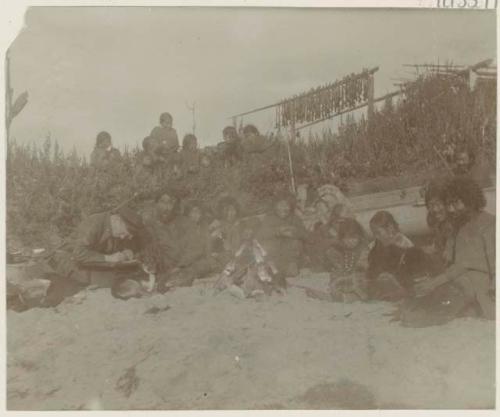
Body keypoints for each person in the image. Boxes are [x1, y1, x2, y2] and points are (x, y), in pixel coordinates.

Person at [408, 177, 495, 324]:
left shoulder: (490, 224)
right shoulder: (460, 226)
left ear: (470, 199)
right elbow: (455, 264)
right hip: (462, 280)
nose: (451, 209)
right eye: (449, 204)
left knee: (447, 295)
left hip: (481, 285)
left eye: (455, 203)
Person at [43, 206, 148, 306]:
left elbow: (118, 247)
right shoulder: (94, 224)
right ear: (117, 220)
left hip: (92, 262)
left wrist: (127, 252)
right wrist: (109, 258)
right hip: (70, 261)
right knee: (110, 280)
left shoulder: (114, 226)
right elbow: (79, 254)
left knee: (126, 273)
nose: (124, 237)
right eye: (125, 232)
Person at [160, 200, 219, 290]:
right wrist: (178, 264)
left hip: (199, 261)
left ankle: (178, 282)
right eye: (193, 212)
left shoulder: (203, 229)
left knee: (192, 270)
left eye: (198, 212)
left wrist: (180, 265)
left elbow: (202, 250)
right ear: (188, 214)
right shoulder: (182, 229)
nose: (195, 215)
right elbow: (179, 248)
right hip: (183, 261)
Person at [366, 210, 423, 301]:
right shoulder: (375, 245)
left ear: (390, 228)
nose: (376, 236)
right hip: (382, 285)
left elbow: (412, 272)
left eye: (378, 233)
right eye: (374, 233)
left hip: (402, 287)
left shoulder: (405, 244)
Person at [257, 193, 307, 278]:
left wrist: (294, 232)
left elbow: (305, 234)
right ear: (275, 206)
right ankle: (273, 269)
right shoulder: (269, 218)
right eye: (280, 205)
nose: (283, 208)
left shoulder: (294, 218)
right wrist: (278, 231)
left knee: (296, 244)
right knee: (266, 247)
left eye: (286, 205)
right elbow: (261, 234)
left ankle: (291, 266)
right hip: (274, 254)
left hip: (289, 256)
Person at [327, 218, 369, 302]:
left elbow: (363, 268)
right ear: (342, 238)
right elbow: (338, 268)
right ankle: (344, 295)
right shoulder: (337, 250)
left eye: (355, 238)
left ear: (360, 237)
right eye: (348, 238)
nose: (351, 241)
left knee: (364, 284)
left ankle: (350, 297)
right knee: (336, 281)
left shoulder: (362, 250)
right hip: (344, 278)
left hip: (358, 278)